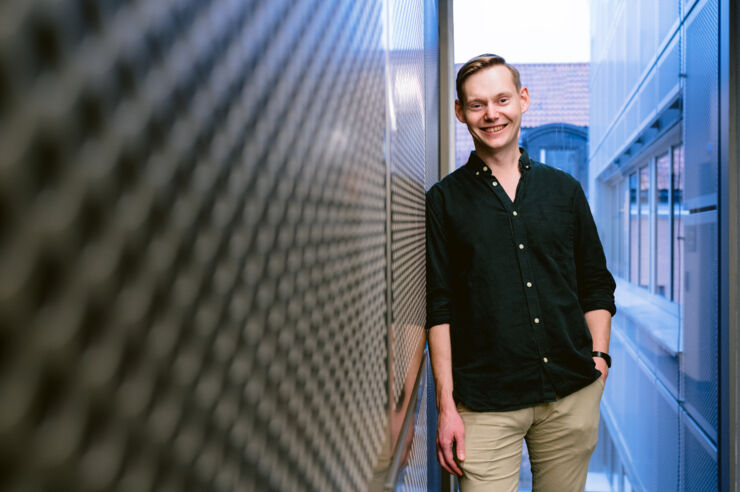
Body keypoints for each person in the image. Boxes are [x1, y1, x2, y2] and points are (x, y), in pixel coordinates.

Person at [426, 54, 616, 492]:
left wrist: (600, 359)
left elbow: (595, 283)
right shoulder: (443, 200)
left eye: (502, 99)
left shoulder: (564, 190)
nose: (491, 114)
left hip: (571, 393)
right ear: (460, 112)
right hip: (484, 405)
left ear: (523, 100)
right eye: (477, 105)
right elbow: (439, 304)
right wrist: (446, 406)